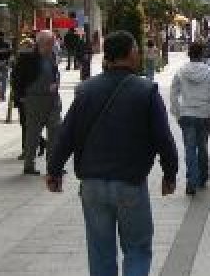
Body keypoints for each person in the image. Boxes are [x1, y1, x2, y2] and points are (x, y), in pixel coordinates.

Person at [45, 31, 178, 276]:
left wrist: (53, 171)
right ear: (129, 54)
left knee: (100, 252)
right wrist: (170, 174)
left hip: (93, 184)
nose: (138, 53)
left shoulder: (86, 90)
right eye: (136, 48)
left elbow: (66, 134)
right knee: (137, 249)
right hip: (130, 183)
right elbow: (164, 138)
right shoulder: (146, 91)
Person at [171, 42, 210, 195]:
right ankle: (203, 176)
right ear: (202, 54)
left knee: (189, 149)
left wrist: (177, 113)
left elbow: (173, 94)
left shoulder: (181, 72)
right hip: (203, 114)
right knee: (203, 147)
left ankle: (191, 181)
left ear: (189, 54)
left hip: (187, 114)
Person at [14, 30, 63, 174]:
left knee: (55, 129)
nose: (52, 46)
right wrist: (20, 96)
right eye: (49, 43)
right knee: (33, 133)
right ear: (40, 43)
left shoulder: (52, 55)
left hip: (52, 99)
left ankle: (52, 165)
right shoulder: (28, 57)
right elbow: (17, 78)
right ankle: (29, 165)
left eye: (52, 43)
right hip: (34, 99)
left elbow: (54, 73)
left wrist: (56, 83)